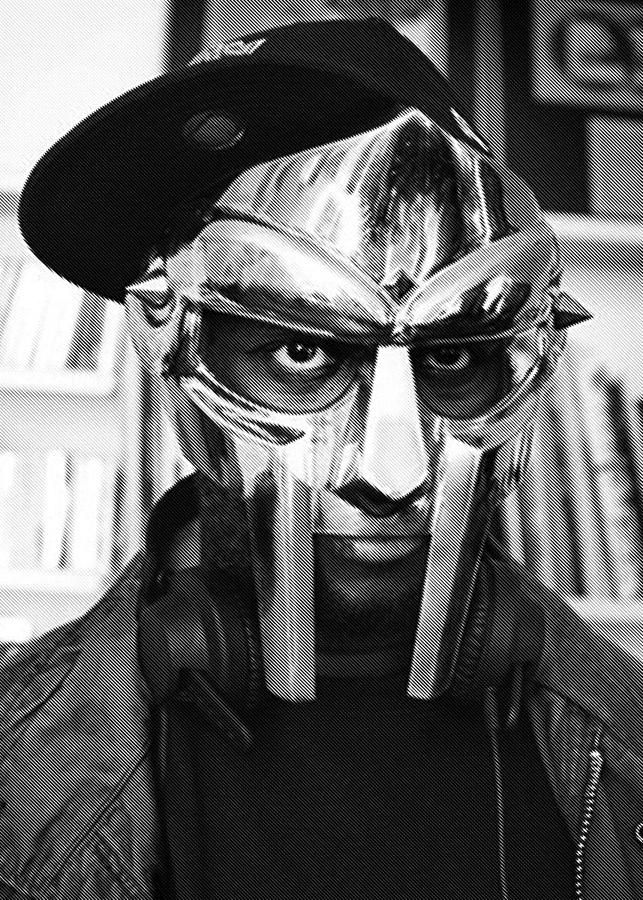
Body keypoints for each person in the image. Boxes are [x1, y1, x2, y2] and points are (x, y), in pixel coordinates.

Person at [2, 16, 643, 900]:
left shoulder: (630, 741)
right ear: (174, 341)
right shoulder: (14, 768)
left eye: (449, 356)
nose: (390, 473)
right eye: (304, 353)